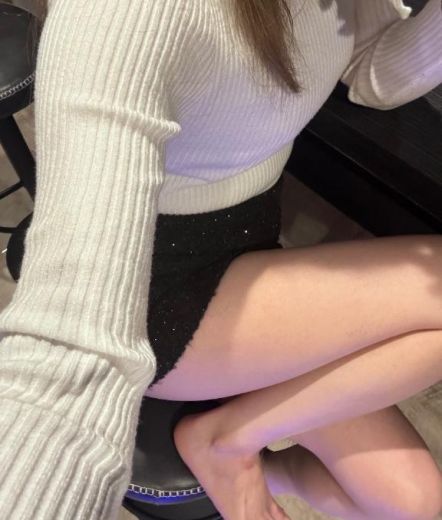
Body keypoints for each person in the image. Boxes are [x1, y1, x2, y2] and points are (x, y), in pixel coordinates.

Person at [0, 0, 441, 519]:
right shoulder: (129, 13)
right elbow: (65, 358)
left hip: (245, 253)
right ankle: (227, 444)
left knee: (414, 503)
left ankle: (235, 444)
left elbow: (374, 77)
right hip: (154, 292)